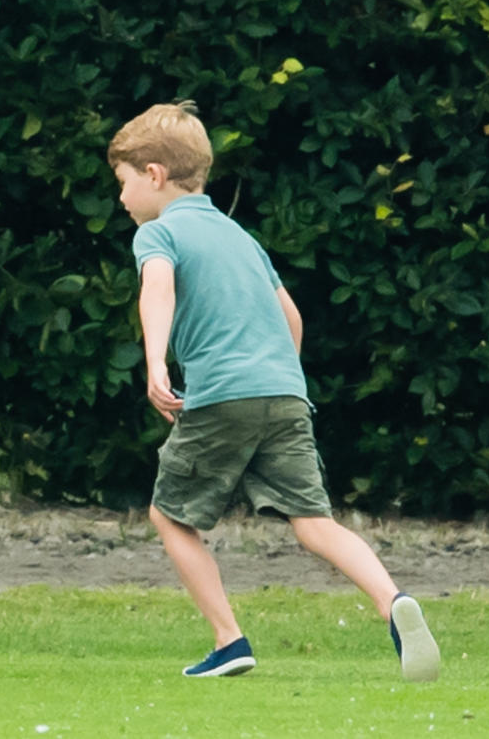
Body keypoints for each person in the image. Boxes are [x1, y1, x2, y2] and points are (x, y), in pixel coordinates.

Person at [109, 101, 440, 682]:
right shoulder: (240, 236)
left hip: (221, 395)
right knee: (315, 523)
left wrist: (156, 362)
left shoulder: (158, 233)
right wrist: (275, 375)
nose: (122, 199)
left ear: (154, 174)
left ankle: (228, 640)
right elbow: (292, 318)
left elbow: (157, 288)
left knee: (169, 515)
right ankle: (392, 603)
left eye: (124, 183)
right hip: (285, 392)